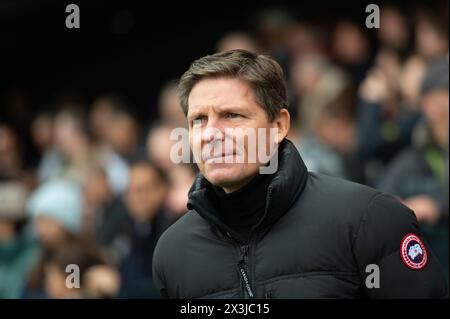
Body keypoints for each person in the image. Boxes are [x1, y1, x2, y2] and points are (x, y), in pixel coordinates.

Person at [152, 49, 448, 299]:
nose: (211, 134)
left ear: (278, 126)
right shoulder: (171, 254)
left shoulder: (368, 218)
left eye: (232, 115)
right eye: (199, 120)